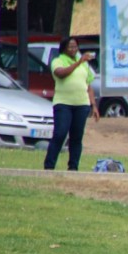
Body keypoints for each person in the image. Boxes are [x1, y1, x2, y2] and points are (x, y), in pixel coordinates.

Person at [44, 37, 98, 171]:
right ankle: (49, 166)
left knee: (76, 136)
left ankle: (73, 167)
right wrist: (79, 62)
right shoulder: (58, 60)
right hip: (63, 104)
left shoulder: (84, 64)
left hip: (81, 104)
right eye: (70, 47)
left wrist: (94, 105)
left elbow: (88, 85)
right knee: (60, 134)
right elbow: (61, 74)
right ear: (64, 48)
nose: (74, 50)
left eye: (75, 47)